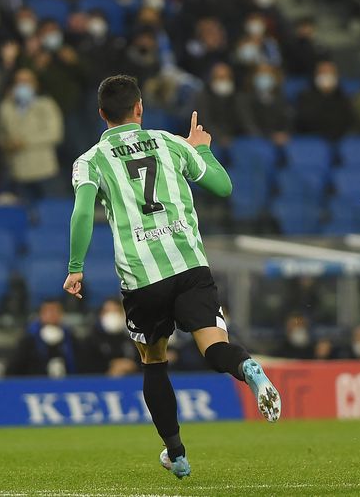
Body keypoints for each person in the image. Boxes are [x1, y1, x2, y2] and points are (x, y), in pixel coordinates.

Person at [62, 75, 280, 480]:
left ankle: (176, 454)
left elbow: (81, 214)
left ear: (101, 114)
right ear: (139, 108)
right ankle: (248, 368)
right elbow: (224, 186)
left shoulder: (90, 160)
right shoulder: (170, 142)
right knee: (215, 348)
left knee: (154, 362)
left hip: (143, 278)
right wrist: (204, 150)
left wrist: (76, 267)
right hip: (190, 266)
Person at [0, 68, 64, 202]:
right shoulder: (6, 107)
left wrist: (25, 141)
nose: (23, 85)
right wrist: (6, 143)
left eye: (27, 81)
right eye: (19, 81)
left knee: (51, 215)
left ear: (35, 84)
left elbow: (55, 133)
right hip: (18, 172)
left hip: (44, 171)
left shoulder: (46, 104)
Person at [5, 300, 80, 377]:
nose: (51, 315)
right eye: (48, 311)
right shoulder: (29, 339)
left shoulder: (70, 337)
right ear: (41, 315)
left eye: (55, 311)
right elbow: (14, 368)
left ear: (61, 315)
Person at [79, 298, 140, 376]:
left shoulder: (133, 338)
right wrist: (111, 367)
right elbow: (85, 368)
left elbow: (142, 362)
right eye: (108, 311)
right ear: (101, 314)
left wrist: (132, 366)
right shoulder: (91, 340)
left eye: (116, 311)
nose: (112, 315)